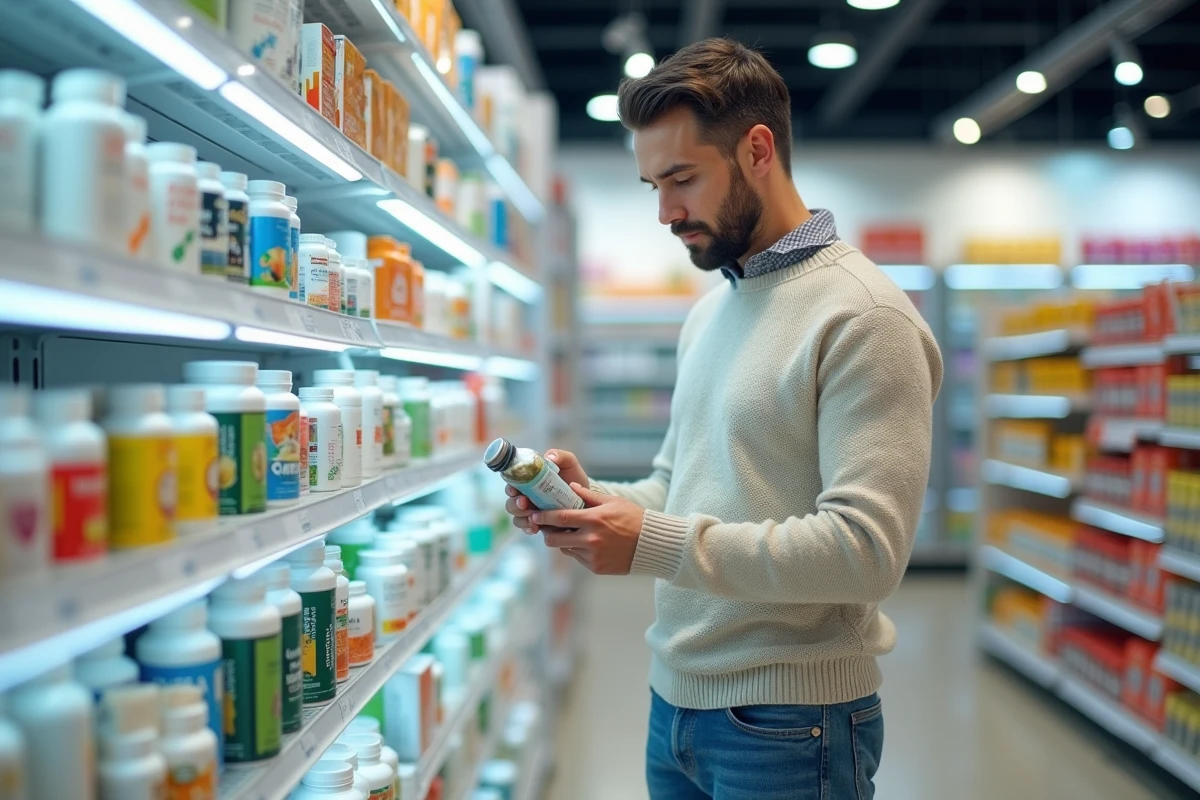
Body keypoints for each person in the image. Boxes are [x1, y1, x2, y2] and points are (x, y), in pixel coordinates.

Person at [505, 38, 943, 799]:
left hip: (792, 722)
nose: (666, 212)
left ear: (757, 150)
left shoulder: (865, 317)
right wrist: (588, 503)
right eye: (653, 186)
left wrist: (652, 543)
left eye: (683, 179)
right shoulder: (710, 313)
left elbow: (867, 551)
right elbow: (679, 485)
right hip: (674, 703)